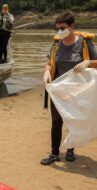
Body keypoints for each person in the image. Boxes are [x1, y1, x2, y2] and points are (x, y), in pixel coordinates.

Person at [41, 12, 97, 165]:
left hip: (78, 91)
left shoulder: (84, 43)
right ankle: (54, 154)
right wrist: (46, 71)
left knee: (73, 120)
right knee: (56, 121)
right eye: (57, 29)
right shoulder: (56, 44)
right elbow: (49, 62)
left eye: (62, 28)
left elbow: (96, 62)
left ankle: (71, 150)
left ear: (72, 26)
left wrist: (88, 63)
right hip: (59, 90)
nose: (59, 32)